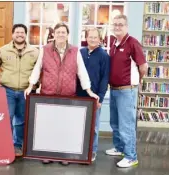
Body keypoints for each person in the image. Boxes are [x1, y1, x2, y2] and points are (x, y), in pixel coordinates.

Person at [24, 22, 99, 165]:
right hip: (48, 93)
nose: (60, 35)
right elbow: (37, 68)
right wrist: (30, 85)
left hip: (67, 95)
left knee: (65, 126)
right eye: (58, 32)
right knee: (48, 125)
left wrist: (89, 91)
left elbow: (81, 72)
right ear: (54, 34)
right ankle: (46, 154)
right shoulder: (45, 50)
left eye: (63, 32)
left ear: (67, 35)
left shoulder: (75, 51)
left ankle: (64, 155)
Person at [105, 15, 148, 168]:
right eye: (115, 24)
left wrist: (135, 82)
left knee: (126, 125)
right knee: (115, 122)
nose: (117, 27)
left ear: (126, 26)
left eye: (120, 24)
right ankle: (119, 148)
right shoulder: (114, 43)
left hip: (126, 91)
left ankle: (131, 156)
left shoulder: (132, 43)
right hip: (114, 89)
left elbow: (143, 66)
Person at [0, 24, 39, 157]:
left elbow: (39, 70)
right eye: (17, 32)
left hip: (26, 91)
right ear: (12, 34)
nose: (19, 34)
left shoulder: (34, 52)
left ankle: (17, 146)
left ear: (25, 34)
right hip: (8, 90)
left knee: (21, 120)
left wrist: (35, 85)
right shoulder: (3, 50)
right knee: (6, 118)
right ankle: (5, 145)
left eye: (22, 32)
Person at [76, 27, 110, 162]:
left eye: (95, 37)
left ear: (100, 39)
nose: (92, 39)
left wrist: (100, 98)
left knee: (94, 127)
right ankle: (78, 149)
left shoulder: (104, 56)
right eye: (90, 37)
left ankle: (93, 150)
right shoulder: (80, 52)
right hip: (78, 94)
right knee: (79, 125)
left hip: (94, 96)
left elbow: (104, 79)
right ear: (86, 38)